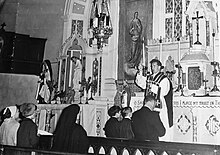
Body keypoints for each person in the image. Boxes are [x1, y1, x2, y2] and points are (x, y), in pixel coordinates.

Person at [135, 58, 173, 141]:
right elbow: (140, 83)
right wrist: (140, 71)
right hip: (148, 103)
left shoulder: (164, 79)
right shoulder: (149, 77)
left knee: (160, 122)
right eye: (151, 66)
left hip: (158, 104)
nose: (152, 68)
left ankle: (162, 140)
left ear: (159, 67)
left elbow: (164, 91)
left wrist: (152, 87)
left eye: (154, 66)